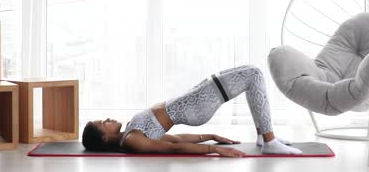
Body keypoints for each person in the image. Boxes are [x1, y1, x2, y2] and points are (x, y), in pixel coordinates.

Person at [82, 65, 302, 157]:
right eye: (103, 122)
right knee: (254, 75)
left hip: (194, 98)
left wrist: (211, 136)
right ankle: (270, 142)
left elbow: (174, 138)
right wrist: (215, 150)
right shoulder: (131, 140)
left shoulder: (130, 130)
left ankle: (263, 137)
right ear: (104, 136)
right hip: (197, 106)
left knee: (250, 71)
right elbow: (170, 148)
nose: (108, 119)